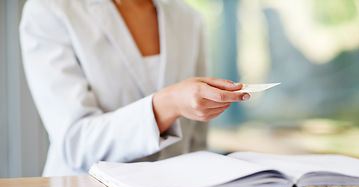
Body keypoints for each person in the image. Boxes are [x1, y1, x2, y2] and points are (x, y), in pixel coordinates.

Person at [19, 0, 250, 177]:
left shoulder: (188, 17)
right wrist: (168, 104)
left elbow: (197, 142)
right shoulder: (51, 10)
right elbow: (75, 142)